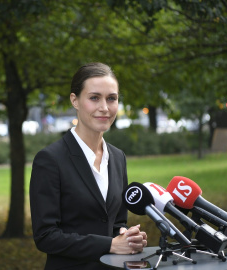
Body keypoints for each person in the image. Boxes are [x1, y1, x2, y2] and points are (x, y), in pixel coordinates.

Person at [30, 62, 147, 269]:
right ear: (75, 100)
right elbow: (46, 236)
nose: (104, 107)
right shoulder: (49, 159)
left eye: (112, 98)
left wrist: (126, 236)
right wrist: (110, 244)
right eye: (94, 98)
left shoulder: (118, 157)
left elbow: (116, 221)